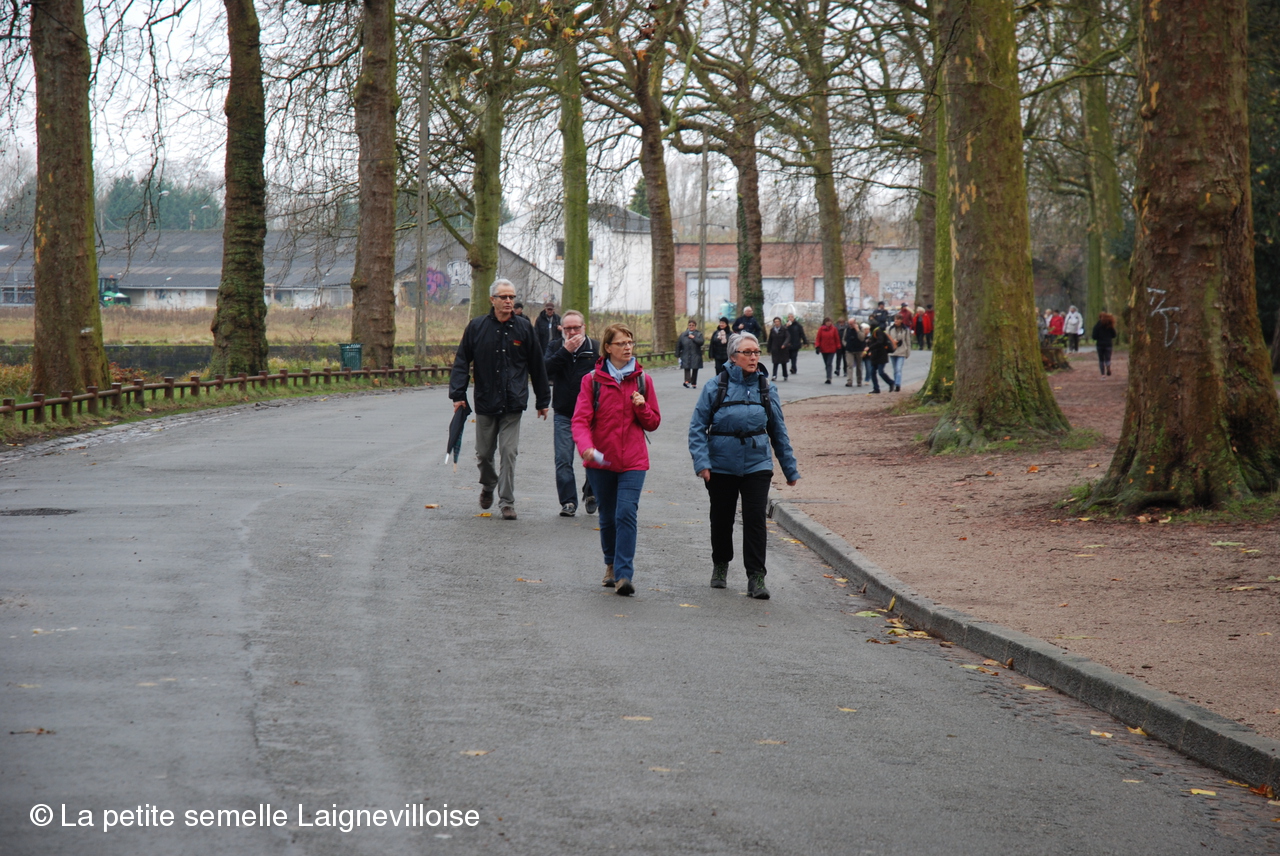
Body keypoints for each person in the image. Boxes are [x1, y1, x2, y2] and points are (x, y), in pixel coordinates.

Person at [688, 333, 800, 599]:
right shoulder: (715, 386)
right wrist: (702, 463)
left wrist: (789, 468)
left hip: (757, 463)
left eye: (757, 352)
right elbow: (697, 428)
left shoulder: (767, 388)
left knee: (755, 520)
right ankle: (720, 563)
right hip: (721, 464)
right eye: (747, 352)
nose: (753, 357)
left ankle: (756, 577)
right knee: (721, 518)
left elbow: (778, 431)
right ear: (733, 357)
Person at [450, 279, 550, 520]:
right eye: (503, 297)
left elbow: (537, 365)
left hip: (513, 401)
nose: (508, 301)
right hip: (486, 401)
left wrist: (542, 400)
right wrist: (458, 395)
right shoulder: (477, 327)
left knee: (508, 452)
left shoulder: (524, 328)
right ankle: (488, 484)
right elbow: (462, 361)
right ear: (492, 300)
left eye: (512, 297)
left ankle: (507, 502)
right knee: (484, 454)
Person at [572, 323, 662, 595]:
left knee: (626, 513)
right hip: (600, 461)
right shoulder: (592, 381)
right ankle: (610, 564)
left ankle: (624, 575)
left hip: (634, 461)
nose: (627, 347)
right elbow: (580, 421)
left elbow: (653, 422)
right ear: (608, 347)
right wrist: (586, 447)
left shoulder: (643, 380)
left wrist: (642, 407)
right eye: (621, 343)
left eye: (630, 342)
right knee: (609, 516)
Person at [544, 310, 598, 518]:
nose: (572, 332)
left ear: (584, 327)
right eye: (568, 328)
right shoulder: (555, 347)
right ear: (561, 329)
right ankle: (568, 501)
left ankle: (591, 491)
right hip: (564, 412)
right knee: (563, 459)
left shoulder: (595, 348)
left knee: (592, 457)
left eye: (576, 328)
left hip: (592, 415)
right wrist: (565, 351)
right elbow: (544, 370)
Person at [863, 323, 895, 393]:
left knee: (881, 372)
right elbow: (872, 343)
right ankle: (876, 388)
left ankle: (891, 382)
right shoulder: (873, 333)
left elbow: (880, 342)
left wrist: (870, 348)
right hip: (874, 355)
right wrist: (869, 350)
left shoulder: (878, 331)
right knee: (872, 372)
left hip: (881, 355)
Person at [678, 318, 705, 388]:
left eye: (693, 325)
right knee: (686, 367)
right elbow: (679, 344)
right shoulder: (683, 334)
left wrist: (694, 338)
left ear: (695, 326)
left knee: (695, 368)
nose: (691, 326)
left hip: (695, 354)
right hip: (686, 353)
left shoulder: (698, 334)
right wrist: (678, 354)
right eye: (690, 325)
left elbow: (701, 342)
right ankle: (687, 381)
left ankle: (694, 382)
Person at [888, 315, 912, 392]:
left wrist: (908, 352)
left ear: (901, 320)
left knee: (898, 369)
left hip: (902, 351)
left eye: (898, 319)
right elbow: (887, 339)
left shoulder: (905, 329)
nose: (896, 321)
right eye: (895, 319)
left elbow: (908, 341)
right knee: (895, 369)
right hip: (893, 351)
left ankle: (898, 384)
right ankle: (896, 383)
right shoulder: (890, 329)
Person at [815, 316, 841, 384]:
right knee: (826, 363)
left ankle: (829, 377)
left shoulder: (834, 329)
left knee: (829, 363)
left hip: (832, 349)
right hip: (823, 349)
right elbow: (818, 338)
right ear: (825, 322)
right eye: (827, 322)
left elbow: (837, 338)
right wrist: (817, 346)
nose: (828, 323)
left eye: (829, 322)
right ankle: (828, 375)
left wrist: (838, 346)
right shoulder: (821, 329)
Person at [1092, 312, 1117, 376]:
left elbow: (1094, 336)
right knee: (1108, 358)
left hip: (1100, 344)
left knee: (1101, 359)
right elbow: (1114, 335)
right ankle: (1108, 367)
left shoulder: (1097, 326)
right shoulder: (1110, 326)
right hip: (1108, 344)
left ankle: (1102, 374)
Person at [767, 316, 790, 380]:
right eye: (775, 322)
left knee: (783, 363)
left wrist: (784, 344)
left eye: (778, 321)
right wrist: (769, 349)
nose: (777, 323)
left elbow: (788, 337)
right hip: (775, 348)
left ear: (780, 322)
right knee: (775, 363)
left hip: (783, 349)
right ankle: (774, 375)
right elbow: (770, 340)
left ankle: (785, 375)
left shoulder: (784, 329)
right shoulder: (772, 330)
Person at [843, 321, 866, 387]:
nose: (850, 325)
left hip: (859, 350)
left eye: (851, 324)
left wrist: (857, 330)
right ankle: (849, 381)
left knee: (859, 366)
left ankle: (859, 381)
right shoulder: (847, 330)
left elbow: (862, 338)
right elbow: (843, 339)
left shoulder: (861, 329)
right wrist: (846, 345)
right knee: (849, 365)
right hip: (849, 350)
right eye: (849, 324)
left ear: (855, 323)